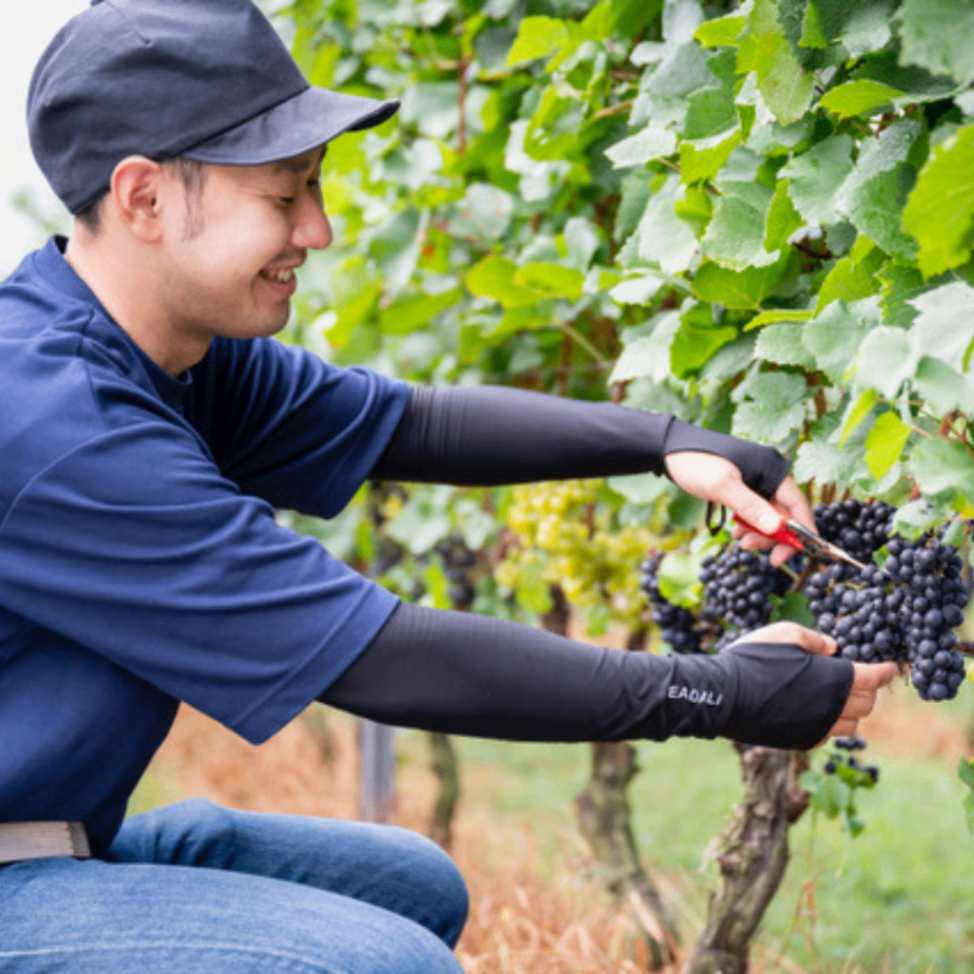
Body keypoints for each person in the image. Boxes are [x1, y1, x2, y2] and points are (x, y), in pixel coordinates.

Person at [0, 1, 897, 971]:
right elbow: (376, 657)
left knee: (413, 883)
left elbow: (411, 423)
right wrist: (716, 690)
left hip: (49, 825)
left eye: (316, 187)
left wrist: (669, 442)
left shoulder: (160, 357)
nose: (322, 227)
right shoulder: (59, 424)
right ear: (141, 199)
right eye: (282, 196)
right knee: (385, 960)